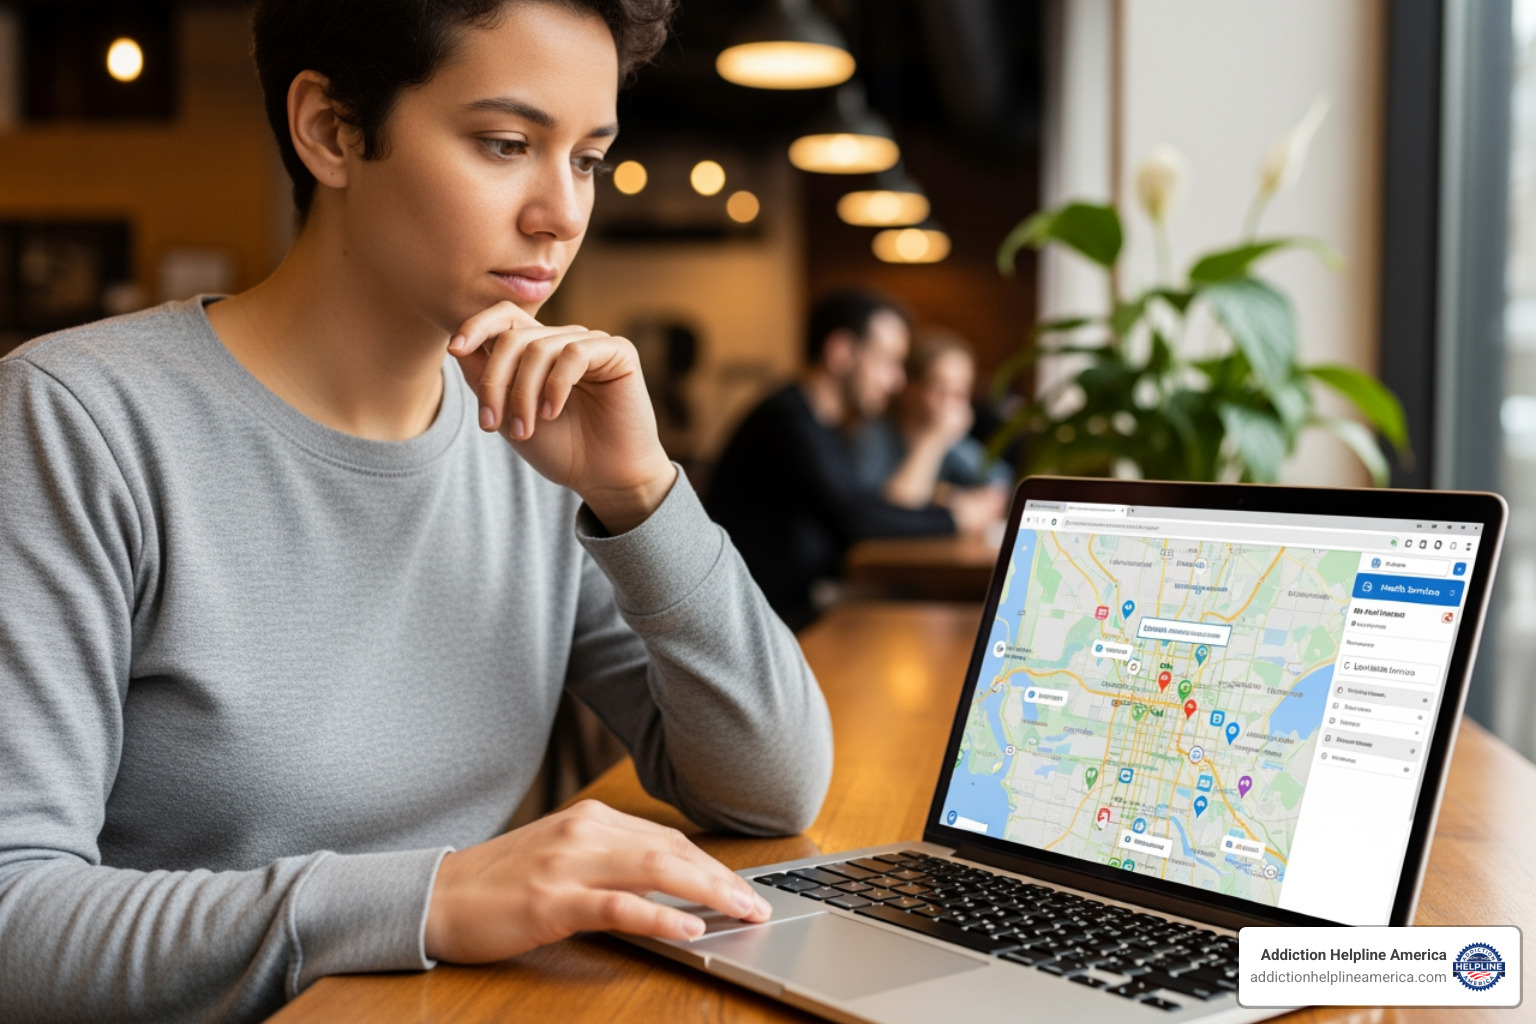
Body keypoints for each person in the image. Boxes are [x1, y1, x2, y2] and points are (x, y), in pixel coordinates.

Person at [0, 2, 833, 1022]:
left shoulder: (535, 436)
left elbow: (771, 787)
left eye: (587, 160)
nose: (562, 214)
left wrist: (640, 493)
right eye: (506, 144)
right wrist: (432, 896)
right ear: (332, 132)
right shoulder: (78, 419)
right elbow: (14, 920)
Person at [707, 290, 1000, 629]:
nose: (897, 381)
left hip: (790, 605)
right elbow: (857, 520)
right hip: (764, 620)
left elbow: (863, 505)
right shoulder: (786, 420)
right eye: (888, 361)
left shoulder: (821, 423)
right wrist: (954, 519)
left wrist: (948, 514)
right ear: (841, 352)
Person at [851, 329, 1013, 510]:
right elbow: (892, 512)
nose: (951, 401)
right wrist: (933, 438)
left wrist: (950, 499)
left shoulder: (951, 443)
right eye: (939, 386)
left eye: (961, 390)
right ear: (908, 388)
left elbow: (1001, 482)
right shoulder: (872, 435)